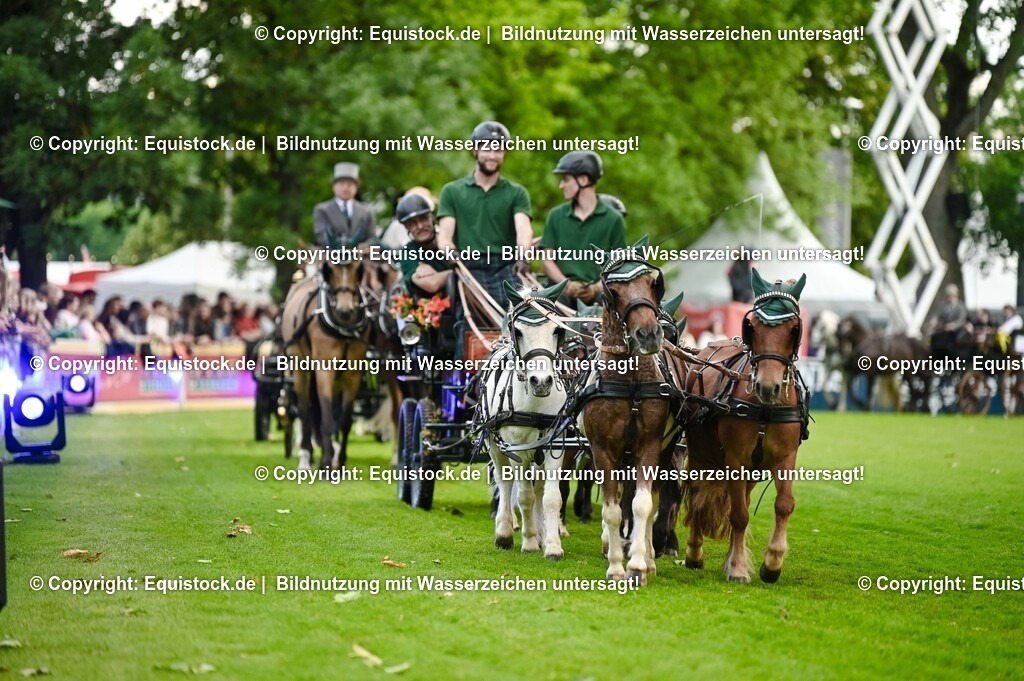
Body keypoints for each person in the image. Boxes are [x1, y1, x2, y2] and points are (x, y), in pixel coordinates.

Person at [437, 121, 532, 313]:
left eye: (498, 150)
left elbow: (524, 230)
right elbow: (444, 236)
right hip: (468, 267)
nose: (492, 155)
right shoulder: (452, 191)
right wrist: (451, 253)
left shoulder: (517, 193)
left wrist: (523, 256)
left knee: (523, 316)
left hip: (506, 266)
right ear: (474, 150)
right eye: (487, 149)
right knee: (468, 320)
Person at [540, 151, 627, 305]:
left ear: (583, 179)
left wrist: (596, 288)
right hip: (561, 291)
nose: (561, 185)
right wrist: (567, 285)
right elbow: (547, 262)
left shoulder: (614, 219)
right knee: (549, 303)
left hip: (599, 293)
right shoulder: (556, 215)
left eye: (566, 180)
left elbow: (619, 267)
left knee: (615, 304)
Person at [396, 193, 454, 299]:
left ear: (432, 216)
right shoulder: (408, 252)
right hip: (431, 312)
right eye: (413, 223)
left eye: (423, 218)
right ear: (406, 227)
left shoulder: (449, 240)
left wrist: (440, 275)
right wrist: (457, 273)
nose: (420, 226)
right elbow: (432, 284)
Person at [312, 162, 377, 249]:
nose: (345, 188)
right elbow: (321, 235)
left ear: (356, 188)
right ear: (333, 186)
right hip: (330, 254)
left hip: (360, 255)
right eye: (341, 184)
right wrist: (338, 245)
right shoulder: (322, 210)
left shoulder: (366, 211)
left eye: (350, 184)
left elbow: (372, 237)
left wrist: (361, 247)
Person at [929, 283, 967, 362]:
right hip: (943, 328)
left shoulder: (960, 306)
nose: (949, 298)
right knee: (934, 338)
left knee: (950, 342)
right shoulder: (943, 305)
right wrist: (934, 321)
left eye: (951, 296)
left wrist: (952, 326)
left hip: (956, 330)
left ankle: (952, 360)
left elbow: (961, 320)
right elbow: (937, 315)